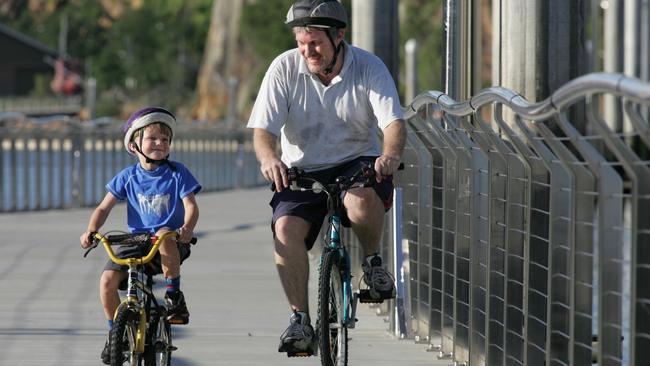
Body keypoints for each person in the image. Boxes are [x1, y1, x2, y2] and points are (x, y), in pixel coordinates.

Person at [246, 0, 406, 355]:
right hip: (301, 170)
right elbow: (263, 132)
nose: (307, 51)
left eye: (315, 42)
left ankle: (373, 263)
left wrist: (390, 155)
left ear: (339, 37)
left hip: (356, 163)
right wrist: (270, 157)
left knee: (362, 203)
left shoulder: (368, 67)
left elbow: (393, 123)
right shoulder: (283, 68)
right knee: (285, 230)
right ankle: (300, 318)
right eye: (302, 44)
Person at [80, 107, 201, 364]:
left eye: (165, 140)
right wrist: (92, 230)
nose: (159, 143)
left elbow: (190, 205)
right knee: (107, 281)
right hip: (136, 242)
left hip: (169, 242)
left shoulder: (177, 173)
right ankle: (116, 334)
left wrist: (187, 229)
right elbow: (103, 207)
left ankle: (173, 295)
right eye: (152, 138)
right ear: (135, 145)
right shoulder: (128, 177)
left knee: (163, 234)